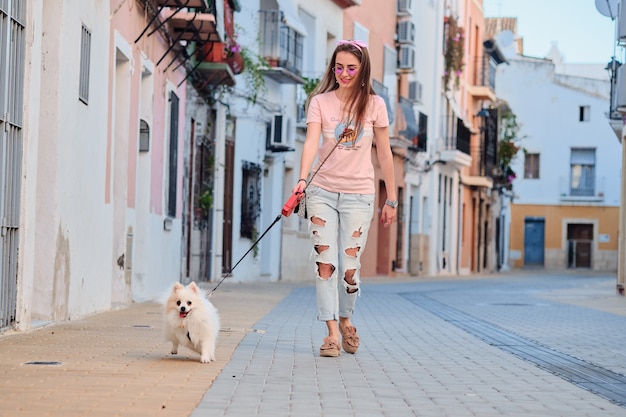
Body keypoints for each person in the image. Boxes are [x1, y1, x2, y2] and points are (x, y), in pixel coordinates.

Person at [291, 39, 397, 357]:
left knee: (349, 268)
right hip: (321, 191)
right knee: (326, 264)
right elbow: (310, 142)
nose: (344, 73)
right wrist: (300, 180)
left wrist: (391, 198)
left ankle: (347, 319)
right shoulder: (320, 102)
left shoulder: (375, 105)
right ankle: (332, 333)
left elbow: (386, 154)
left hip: (359, 195)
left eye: (351, 67)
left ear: (363, 69)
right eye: (339, 67)